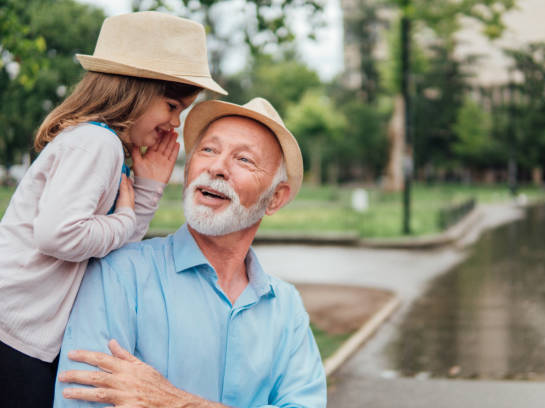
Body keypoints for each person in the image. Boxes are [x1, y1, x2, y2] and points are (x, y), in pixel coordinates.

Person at [0, 11, 226, 407]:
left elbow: (109, 252)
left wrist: (148, 188)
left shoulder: (104, 146)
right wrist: (124, 219)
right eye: (172, 105)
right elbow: (58, 235)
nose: (175, 123)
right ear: (133, 91)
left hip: (26, 336)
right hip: (12, 331)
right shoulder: (96, 143)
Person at [53, 97, 326, 408]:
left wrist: (174, 402)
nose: (217, 167)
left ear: (275, 198)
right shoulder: (118, 275)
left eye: (244, 160)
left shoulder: (286, 308)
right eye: (208, 150)